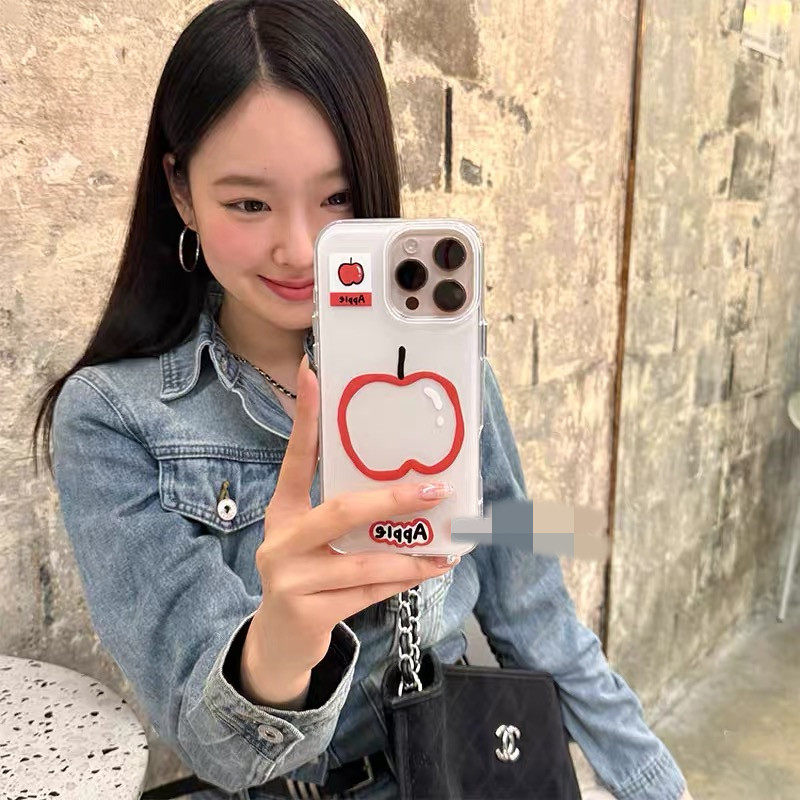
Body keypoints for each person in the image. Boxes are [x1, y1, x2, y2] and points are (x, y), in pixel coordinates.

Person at [32, 1, 694, 798]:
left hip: (460, 768)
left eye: (338, 198)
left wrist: (653, 782)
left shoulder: (447, 367)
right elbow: (215, 748)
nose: (300, 248)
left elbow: (533, 608)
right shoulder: (114, 418)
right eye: (249, 203)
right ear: (181, 191)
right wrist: (279, 644)